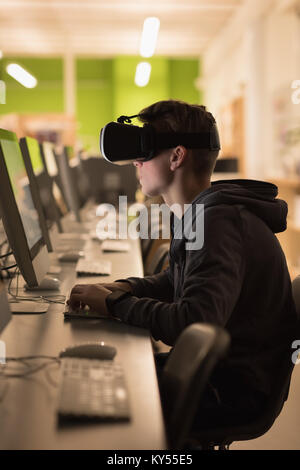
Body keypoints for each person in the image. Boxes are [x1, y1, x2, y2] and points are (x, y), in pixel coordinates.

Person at [68, 100, 299, 429]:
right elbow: (175, 280)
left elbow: (193, 321)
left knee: (93, 407)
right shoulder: (203, 213)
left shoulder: (218, 222)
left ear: (177, 156)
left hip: (229, 391)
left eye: (145, 150)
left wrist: (113, 304)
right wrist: (125, 288)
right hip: (218, 372)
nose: (136, 161)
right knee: (104, 373)